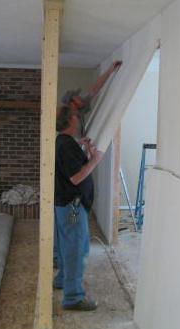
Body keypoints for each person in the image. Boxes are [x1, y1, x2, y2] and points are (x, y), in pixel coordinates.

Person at [54, 61, 122, 311]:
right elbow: (75, 178)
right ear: (71, 111)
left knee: (66, 245)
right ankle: (73, 297)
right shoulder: (66, 143)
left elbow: (93, 91)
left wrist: (111, 71)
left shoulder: (64, 141)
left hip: (65, 204)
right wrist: (95, 159)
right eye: (77, 109)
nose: (81, 110)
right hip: (71, 206)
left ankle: (62, 279)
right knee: (76, 249)